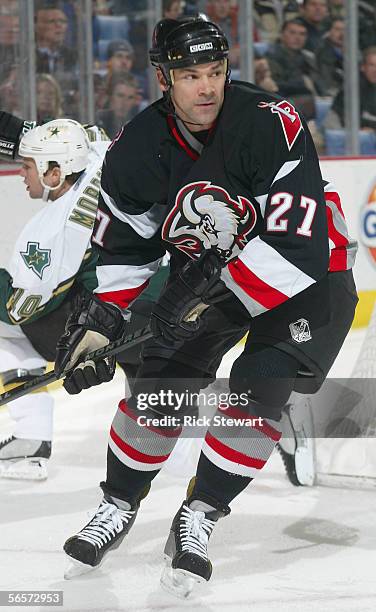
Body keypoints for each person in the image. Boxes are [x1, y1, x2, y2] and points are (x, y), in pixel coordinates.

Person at [54, 15, 358, 596]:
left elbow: (297, 247)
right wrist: (104, 320)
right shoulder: (136, 149)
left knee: (259, 388)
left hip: (314, 271)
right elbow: (127, 248)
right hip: (212, 269)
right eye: (190, 75)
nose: (207, 87)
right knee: (160, 381)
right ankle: (118, 503)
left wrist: (199, 298)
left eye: (215, 71)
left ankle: (201, 514)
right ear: (165, 79)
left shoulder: (272, 122)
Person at [0, 115, 109, 480]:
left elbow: (22, 306)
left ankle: (31, 434)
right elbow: (93, 132)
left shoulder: (51, 229)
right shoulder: (98, 158)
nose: (21, 174)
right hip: (145, 300)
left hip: (95, 325)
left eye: (28, 166)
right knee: (166, 418)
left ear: (54, 174)